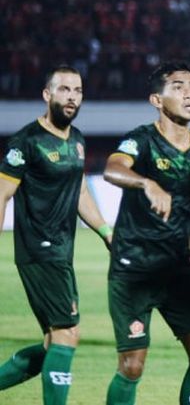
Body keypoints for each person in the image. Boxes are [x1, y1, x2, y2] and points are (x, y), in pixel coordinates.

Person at [103, 61, 190, 405]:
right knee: (133, 365)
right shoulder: (140, 140)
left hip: (178, 270)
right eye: (179, 86)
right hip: (134, 268)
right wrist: (146, 182)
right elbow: (112, 169)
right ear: (157, 99)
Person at [0, 65, 112, 405]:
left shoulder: (76, 140)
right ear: (47, 95)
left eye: (77, 91)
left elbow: (79, 193)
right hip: (39, 250)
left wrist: (107, 231)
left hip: (62, 251)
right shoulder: (26, 141)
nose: (72, 97)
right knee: (67, 334)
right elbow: (3, 193)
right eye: (64, 90)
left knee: (54, 341)